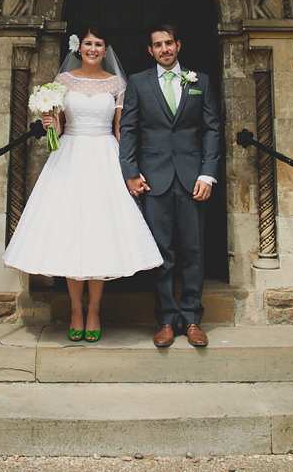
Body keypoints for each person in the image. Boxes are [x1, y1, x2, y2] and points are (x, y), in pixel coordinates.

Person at [3, 25, 162, 343]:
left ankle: (94, 311)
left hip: (104, 156)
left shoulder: (117, 83)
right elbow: (58, 131)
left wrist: (131, 168)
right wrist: (51, 123)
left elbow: (121, 130)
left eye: (99, 44)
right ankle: (76, 310)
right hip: (70, 157)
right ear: (79, 48)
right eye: (88, 43)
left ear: (106, 50)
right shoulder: (63, 81)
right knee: (71, 232)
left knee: (99, 234)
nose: (93, 48)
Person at [119, 23, 221, 348]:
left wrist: (208, 173)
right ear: (150, 50)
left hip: (193, 178)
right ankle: (165, 319)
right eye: (157, 45)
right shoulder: (137, 82)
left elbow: (212, 130)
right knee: (161, 252)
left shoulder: (200, 81)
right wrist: (130, 171)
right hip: (154, 179)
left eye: (169, 43)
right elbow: (129, 128)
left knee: (193, 251)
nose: (164, 49)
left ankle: (192, 319)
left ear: (178, 45)